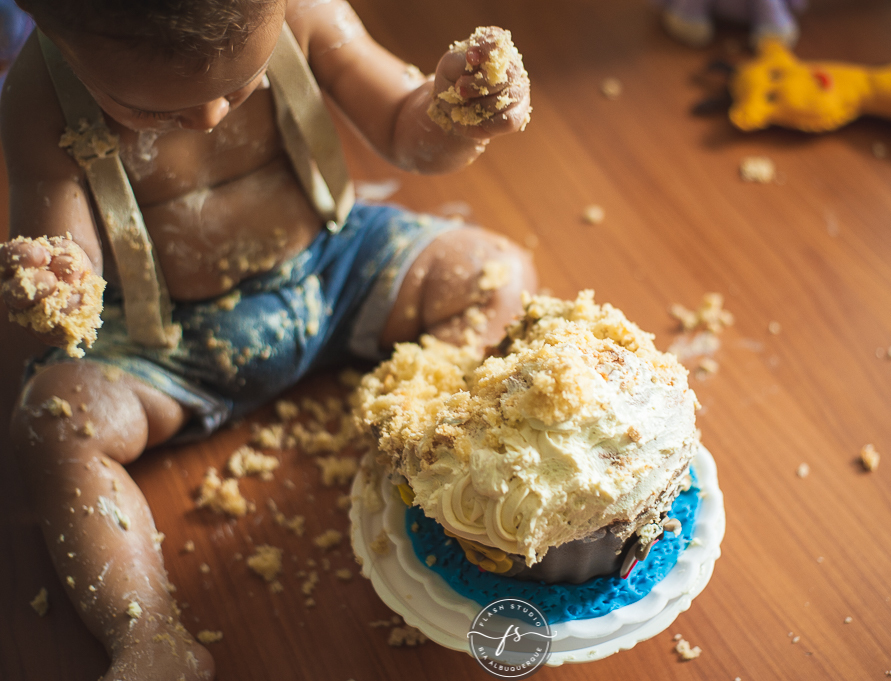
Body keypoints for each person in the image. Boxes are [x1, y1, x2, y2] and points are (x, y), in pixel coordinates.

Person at [0, 1, 535, 678]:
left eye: (239, 84)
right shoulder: (37, 95)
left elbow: (406, 129)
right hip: (163, 334)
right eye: (154, 112)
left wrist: (454, 111)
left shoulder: (306, 13)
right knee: (53, 426)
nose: (210, 119)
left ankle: (421, 431)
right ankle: (147, 635)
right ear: (58, 37)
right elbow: (66, 254)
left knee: (496, 273)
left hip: (334, 271)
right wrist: (59, 287)